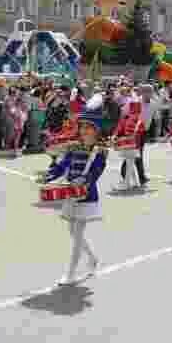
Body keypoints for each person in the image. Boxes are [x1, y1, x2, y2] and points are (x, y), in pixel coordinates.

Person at [41, 92, 108, 285]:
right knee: (73, 232)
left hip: (86, 196)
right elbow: (64, 165)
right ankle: (93, 258)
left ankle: (70, 274)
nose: (85, 130)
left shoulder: (100, 150)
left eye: (89, 127)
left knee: (77, 235)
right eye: (83, 127)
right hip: (71, 193)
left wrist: (84, 181)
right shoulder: (74, 146)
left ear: (96, 130)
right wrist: (50, 174)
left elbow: (96, 173)